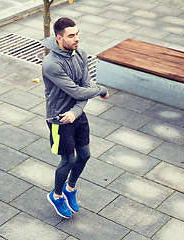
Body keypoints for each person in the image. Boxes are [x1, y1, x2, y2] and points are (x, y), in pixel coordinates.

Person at [41, 17, 109, 219]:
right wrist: (102, 90)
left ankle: (70, 189)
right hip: (60, 119)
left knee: (85, 155)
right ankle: (57, 194)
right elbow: (79, 93)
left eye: (77, 33)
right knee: (68, 160)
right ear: (59, 38)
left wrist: (77, 112)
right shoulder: (51, 64)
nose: (76, 38)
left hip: (76, 114)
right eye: (71, 36)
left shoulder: (80, 53)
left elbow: (85, 88)